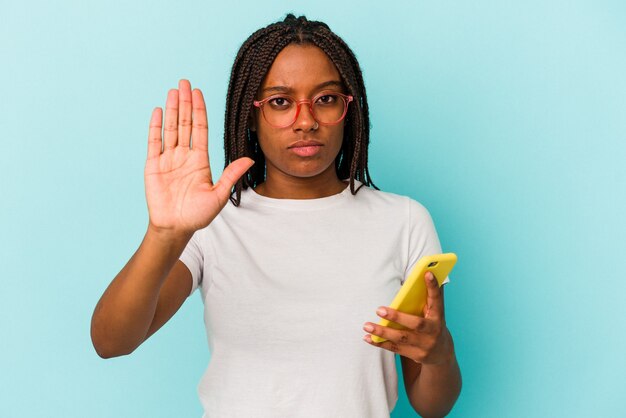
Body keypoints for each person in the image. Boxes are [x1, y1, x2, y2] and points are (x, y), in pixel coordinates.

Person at [91, 14, 461, 418]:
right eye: (280, 102)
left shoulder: (404, 221)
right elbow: (112, 342)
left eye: (326, 99)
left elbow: (431, 406)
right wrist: (164, 233)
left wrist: (440, 353)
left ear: (348, 107)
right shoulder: (212, 223)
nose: (306, 122)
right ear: (251, 114)